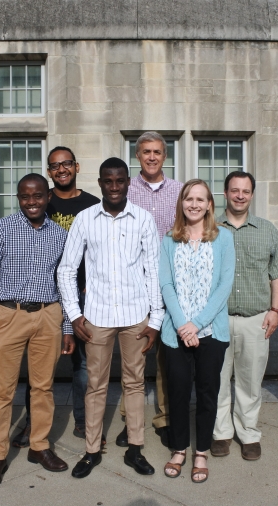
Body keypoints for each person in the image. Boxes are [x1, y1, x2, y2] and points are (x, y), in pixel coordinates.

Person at [58, 157, 163, 479]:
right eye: (108, 181)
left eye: (120, 181)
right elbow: (66, 269)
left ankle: (135, 448)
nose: (114, 187)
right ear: (101, 183)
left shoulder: (143, 219)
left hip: (135, 316)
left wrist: (155, 319)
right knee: (95, 386)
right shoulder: (86, 219)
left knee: (134, 384)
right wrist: (74, 314)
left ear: (128, 182)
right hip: (97, 318)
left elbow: (154, 271)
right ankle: (91, 451)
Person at [0, 174, 75, 489]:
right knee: (1, 391)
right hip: (8, 315)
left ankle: (39, 446)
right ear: (18, 198)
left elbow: (65, 282)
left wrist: (68, 326)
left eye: (38, 196)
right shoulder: (2, 229)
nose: (32, 202)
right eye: (26, 196)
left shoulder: (60, 234)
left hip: (48, 316)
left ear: (48, 197)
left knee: (43, 388)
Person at [9, 146, 101, 448]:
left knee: (83, 364)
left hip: (82, 295)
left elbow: (99, 250)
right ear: (49, 172)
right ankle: (32, 424)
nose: (61, 170)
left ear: (76, 167)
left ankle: (83, 421)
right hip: (45, 295)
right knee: (40, 365)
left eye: (66, 164)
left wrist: (90, 283)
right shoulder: (40, 200)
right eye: (55, 166)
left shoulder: (92, 204)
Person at [211, 171, 278, 461]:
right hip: (216, 320)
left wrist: (275, 310)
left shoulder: (266, 229)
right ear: (225, 193)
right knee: (217, 380)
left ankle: (248, 433)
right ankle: (221, 433)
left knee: (250, 381)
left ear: (252, 194)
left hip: (255, 319)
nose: (240, 195)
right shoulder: (210, 228)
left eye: (245, 191)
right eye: (234, 190)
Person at [158, 180, 235, 483]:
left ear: (209, 204)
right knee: (177, 392)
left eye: (200, 199)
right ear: (181, 203)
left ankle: (201, 451)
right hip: (175, 333)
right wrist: (181, 324)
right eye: (188, 198)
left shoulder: (224, 239)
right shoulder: (168, 239)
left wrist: (197, 323)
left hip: (211, 333)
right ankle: (179, 448)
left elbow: (224, 286)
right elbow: (166, 285)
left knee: (207, 392)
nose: (194, 204)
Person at [120, 131, 183, 448]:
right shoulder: (125, 189)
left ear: (165, 155)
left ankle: (163, 418)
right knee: (133, 357)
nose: (152, 157)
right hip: (135, 283)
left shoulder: (179, 191)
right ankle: (127, 419)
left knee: (165, 357)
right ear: (138, 155)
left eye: (157, 151)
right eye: (146, 151)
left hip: (170, 282)